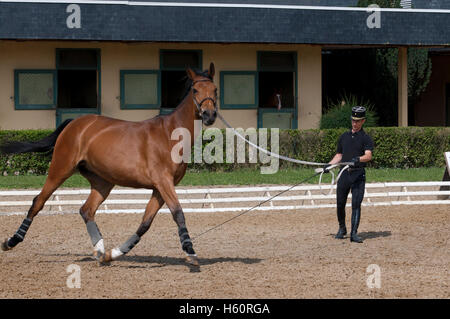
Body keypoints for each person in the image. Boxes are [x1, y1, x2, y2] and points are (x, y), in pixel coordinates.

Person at [326, 106, 374, 243]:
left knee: (356, 204)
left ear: (363, 121)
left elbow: (368, 156)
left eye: (358, 121)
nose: (355, 123)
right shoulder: (344, 137)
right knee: (340, 203)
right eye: (353, 120)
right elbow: (339, 155)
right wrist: (329, 166)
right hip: (344, 174)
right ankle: (342, 228)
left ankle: (354, 233)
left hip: (358, 175)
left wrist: (358, 159)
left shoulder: (366, 138)